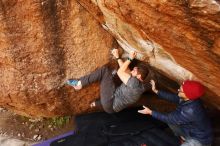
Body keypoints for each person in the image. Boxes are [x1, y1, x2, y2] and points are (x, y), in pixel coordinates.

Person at [66, 48, 155, 113]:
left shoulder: (134, 83)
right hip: (111, 108)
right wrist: (117, 57)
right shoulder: (140, 86)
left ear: (139, 76)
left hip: (110, 101)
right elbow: (126, 70)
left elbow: (121, 72)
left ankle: (79, 83)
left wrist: (130, 58)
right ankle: (95, 104)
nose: (134, 69)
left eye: (136, 69)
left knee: (104, 71)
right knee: (114, 80)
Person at [138, 80, 213, 146]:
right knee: (171, 121)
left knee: (170, 120)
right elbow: (174, 98)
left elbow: (169, 118)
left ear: (187, 95)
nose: (178, 90)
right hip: (190, 130)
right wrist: (156, 91)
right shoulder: (190, 99)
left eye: (180, 90)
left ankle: (185, 139)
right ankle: (182, 137)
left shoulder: (191, 111)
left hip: (199, 140)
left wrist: (150, 112)